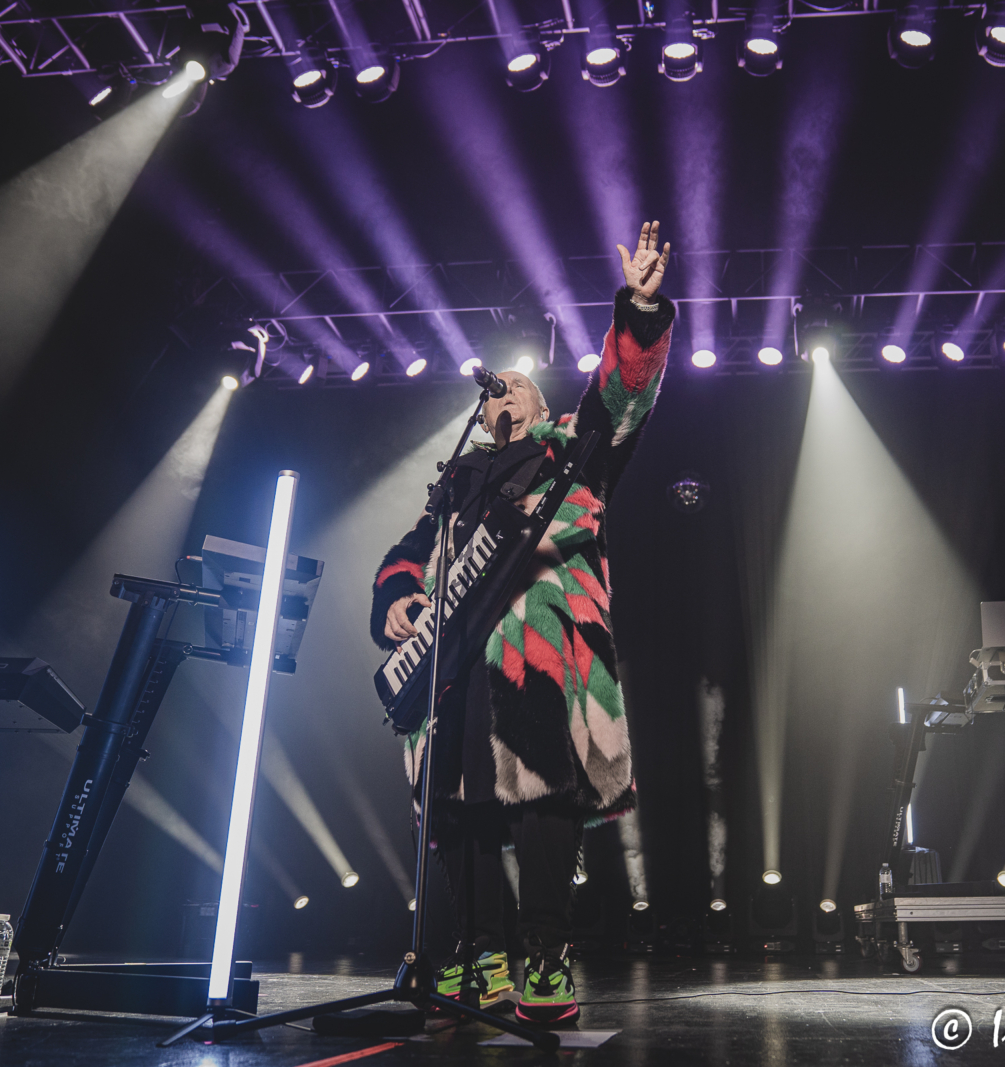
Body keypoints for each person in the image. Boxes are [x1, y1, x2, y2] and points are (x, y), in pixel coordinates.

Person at [370, 221, 673, 1026]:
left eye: (516, 385)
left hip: (543, 646)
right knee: (459, 802)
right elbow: (404, 555)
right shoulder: (456, 481)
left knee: (544, 793)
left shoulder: (573, 451)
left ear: (540, 403)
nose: (502, 392)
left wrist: (640, 311)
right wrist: (397, 598)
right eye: (493, 388)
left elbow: (623, 395)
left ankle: (544, 951)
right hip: (457, 658)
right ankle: (482, 949)